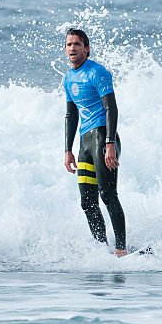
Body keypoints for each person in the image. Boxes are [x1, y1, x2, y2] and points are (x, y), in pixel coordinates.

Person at [62, 28, 127, 256]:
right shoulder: (68, 78)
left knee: (108, 195)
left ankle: (120, 249)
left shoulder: (98, 73)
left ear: (86, 49)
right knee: (87, 202)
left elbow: (111, 108)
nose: (72, 48)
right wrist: (68, 150)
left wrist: (110, 144)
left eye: (77, 44)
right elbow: (71, 115)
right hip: (84, 144)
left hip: (102, 137)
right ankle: (101, 249)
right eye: (69, 44)